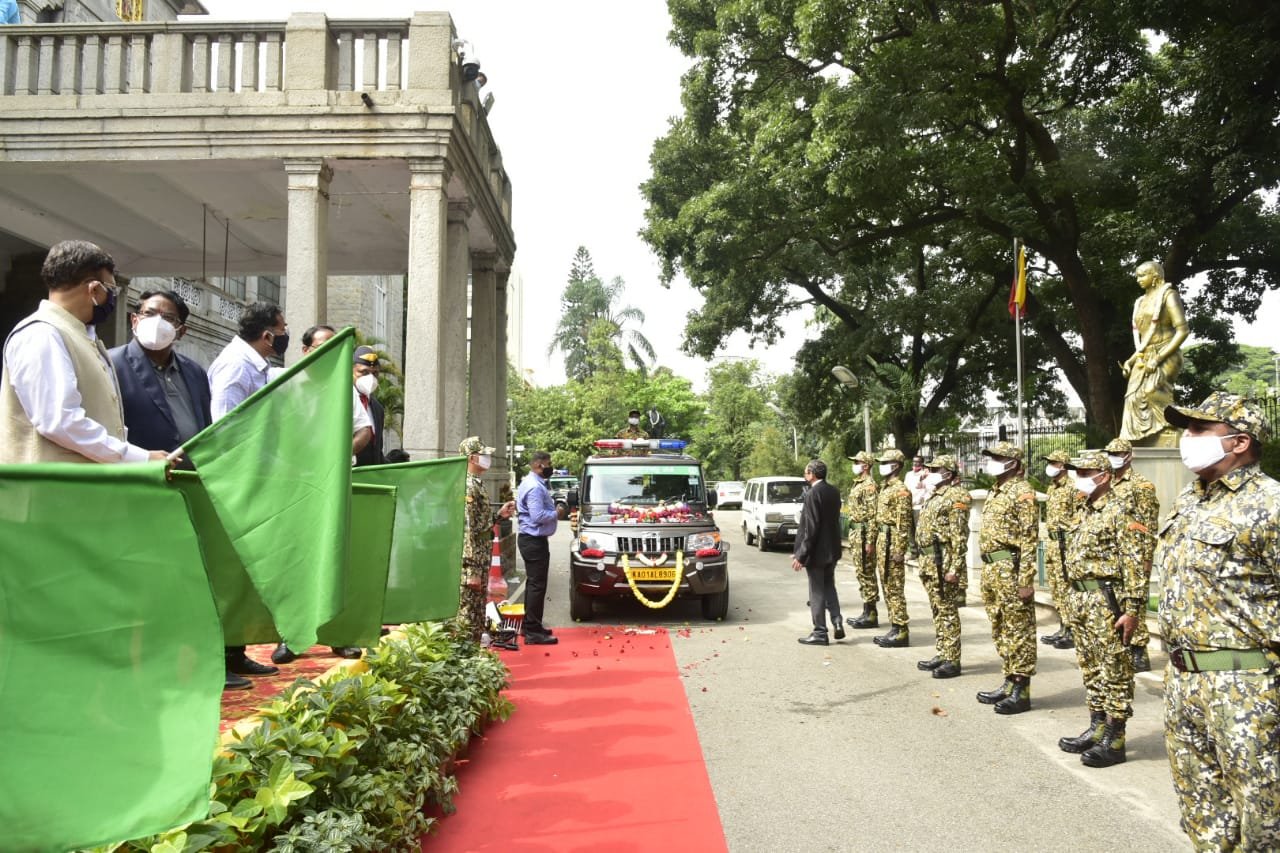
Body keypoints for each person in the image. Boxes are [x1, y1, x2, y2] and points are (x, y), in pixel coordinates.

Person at [1156, 392, 1279, 850]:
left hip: (1246, 684)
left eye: (1199, 430)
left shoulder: (1271, 504)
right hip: (1184, 680)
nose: (1187, 439)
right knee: (1202, 810)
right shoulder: (1189, 501)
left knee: (1263, 820)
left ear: (1239, 442)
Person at [1, 240, 167, 465]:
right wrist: (140, 458)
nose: (112, 297)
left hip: (83, 489)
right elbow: (60, 421)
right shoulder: (42, 333)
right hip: (51, 492)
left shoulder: (83, 336)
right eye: (111, 289)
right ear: (94, 289)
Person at [270, 325, 370, 665]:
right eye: (322, 346)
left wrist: (339, 456)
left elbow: (364, 431)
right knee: (293, 561)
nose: (330, 353)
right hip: (292, 487)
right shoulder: (283, 383)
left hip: (333, 485)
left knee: (336, 558)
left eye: (335, 347)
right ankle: (291, 637)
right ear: (305, 351)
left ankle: (339, 635)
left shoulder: (344, 388)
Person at [207, 301, 287, 685]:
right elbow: (225, 428)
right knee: (231, 569)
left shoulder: (257, 366)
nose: (283, 337)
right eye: (281, 330)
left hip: (256, 478)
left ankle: (236, 651)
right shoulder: (235, 366)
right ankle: (222, 652)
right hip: (238, 481)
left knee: (246, 570)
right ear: (267, 334)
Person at [1056, 450, 1143, 768]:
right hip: (1081, 600)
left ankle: (1116, 738)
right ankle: (1097, 727)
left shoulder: (1121, 510)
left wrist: (1133, 610)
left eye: (1085, 470)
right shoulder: (1082, 510)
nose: (1078, 476)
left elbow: (1134, 563)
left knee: (1115, 670)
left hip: (1107, 601)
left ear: (1104, 475)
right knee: (1091, 667)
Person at [108, 290, 212, 463]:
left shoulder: (195, 372)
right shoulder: (111, 364)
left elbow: (206, 426)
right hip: (140, 480)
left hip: (188, 480)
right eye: (148, 314)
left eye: (168, 318)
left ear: (181, 331)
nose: (157, 322)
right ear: (134, 320)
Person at [975, 441, 1038, 714]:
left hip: (1010, 569)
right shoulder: (996, 491)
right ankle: (1009, 679)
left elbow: (1029, 539)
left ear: (1012, 462)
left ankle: (1021, 690)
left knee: (1018, 630)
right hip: (992, 570)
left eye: (998, 457)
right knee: (1000, 626)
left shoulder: (1022, 492)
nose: (992, 461)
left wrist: (1025, 579)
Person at [1104, 436, 1158, 672]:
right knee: (1115, 601)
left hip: (1134, 553)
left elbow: (1149, 523)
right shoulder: (1107, 482)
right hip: (1110, 555)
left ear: (1129, 456)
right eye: (1111, 454)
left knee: (1135, 602)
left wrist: (1146, 558)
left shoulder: (1140, 485)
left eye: (1118, 454)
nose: (1113, 458)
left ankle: (1139, 651)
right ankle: (1122, 647)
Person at [1120, 260, 1189, 445]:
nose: (1138, 280)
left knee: (1151, 391)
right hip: (1145, 355)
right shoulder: (1140, 302)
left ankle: (1172, 428)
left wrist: (1158, 358)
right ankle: (1139, 439)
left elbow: (1183, 331)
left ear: (1155, 276)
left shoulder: (1169, 296)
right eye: (1137, 276)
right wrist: (1130, 361)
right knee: (1132, 397)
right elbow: (1143, 342)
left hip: (1166, 352)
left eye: (1142, 275)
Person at [914, 455, 970, 678]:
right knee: (937, 609)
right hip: (929, 561)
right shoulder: (936, 495)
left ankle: (952, 659)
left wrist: (955, 569)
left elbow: (959, 536)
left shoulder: (956, 496)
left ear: (948, 472)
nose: (929, 472)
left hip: (944, 560)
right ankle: (942, 651)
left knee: (947, 610)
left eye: (935, 469)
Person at [457, 436, 514, 643]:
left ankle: (471, 652)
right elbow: (467, 527)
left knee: (478, 608)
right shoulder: (468, 487)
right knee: (468, 611)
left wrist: (498, 515)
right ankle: (464, 655)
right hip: (473, 560)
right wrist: (471, 569)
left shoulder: (476, 484)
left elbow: (480, 522)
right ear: (472, 458)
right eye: (484, 455)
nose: (487, 458)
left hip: (481, 555)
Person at [792, 459, 844, 646]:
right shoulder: (833, 491)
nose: (805, 474)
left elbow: (811, 527)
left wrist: (802, 554)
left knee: (817, 591)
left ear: (813, 474)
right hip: (832, 548)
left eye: (806, 471)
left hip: (817, 552)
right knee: (829, 585)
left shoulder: (813, 493)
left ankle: (820, 631)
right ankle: (837, 621)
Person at [1039, 450, 1083, 651]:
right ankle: (1063, 626)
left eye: (1054, 463)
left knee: (1067, 587)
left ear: (1064, 466)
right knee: (1056, 587)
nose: (1050, 466)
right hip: (1053, 544)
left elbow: (1079, 516)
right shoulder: (1052, 488)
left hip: (1066, 544)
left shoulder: (1074, 488)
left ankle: (1073, 629)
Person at [871, 448, 913, 648]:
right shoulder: (885, 487)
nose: (881, 466)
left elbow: (903, 522)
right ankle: (894, 626)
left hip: (892, 541)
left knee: (895, 586)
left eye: (885, 462)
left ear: (896, 465)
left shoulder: (900, 490)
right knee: (887, 585)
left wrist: (899, 549)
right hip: (882, 541)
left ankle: (901, 629)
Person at [516, 451, 558, 645]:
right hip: (533, 541)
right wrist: (556, 512)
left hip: (531, 540)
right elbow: (538, 516)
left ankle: (530, 625)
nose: (550, 467)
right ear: (539, 465)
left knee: (534, 584)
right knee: (537, 586)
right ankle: (533, 632)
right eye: (549, 463)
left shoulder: (531, 482)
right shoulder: (535, 487)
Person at [845, 451, 881, 629]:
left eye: (857, 462)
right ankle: (866, 610)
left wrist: (870, 541)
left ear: (866, 465)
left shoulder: (869, 486)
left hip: (864, 534)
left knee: (867, 573)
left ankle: (871, 613)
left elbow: (873, 515)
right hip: (856, 534)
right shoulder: (858, 483)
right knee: (861, 572)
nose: (855, 464)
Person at [351, 345, 385, 467]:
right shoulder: (342, 401)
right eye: (364, 372)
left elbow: (377, 453)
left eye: (375, 373)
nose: (370, 377)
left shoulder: (378, 409)